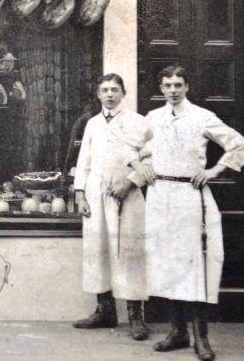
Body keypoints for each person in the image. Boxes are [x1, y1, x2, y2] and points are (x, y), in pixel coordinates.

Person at [141, 65, 244, 361]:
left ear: (187, 87)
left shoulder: (201, 117)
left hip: (189, 196)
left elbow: (237, 142)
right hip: (160, 196)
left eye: (178, 85)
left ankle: (201, 337)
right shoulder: (153, 118)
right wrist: (141, 165)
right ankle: (177, 332)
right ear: (161, 88)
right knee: (167, 263)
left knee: (193, 264)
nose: (173, 90)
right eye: (167, 85)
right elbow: (133, 148)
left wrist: (214, 170)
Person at [72, 73, 154, 341]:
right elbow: (84, 160)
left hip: (127, 196)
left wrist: (130, 182)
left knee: (129, 251)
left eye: (115, 90)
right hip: (97, 195)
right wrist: (81, 193)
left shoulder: (138, 122)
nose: (109, 94)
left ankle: (136, 316)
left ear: (124, 92)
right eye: (105, 90)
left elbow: (152, 158)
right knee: (98, 250)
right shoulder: (93, 124)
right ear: (98, 94)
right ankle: (105, 311)